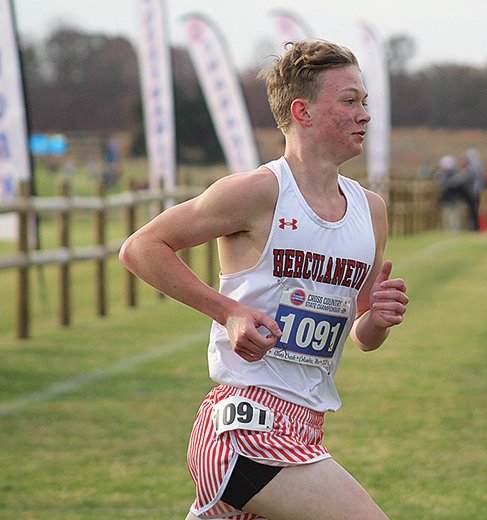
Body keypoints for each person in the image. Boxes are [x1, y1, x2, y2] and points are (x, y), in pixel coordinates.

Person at [119, 39, 408, 520]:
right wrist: (228, 311)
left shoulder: (370, 210)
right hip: (244, 426)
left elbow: (361, 334)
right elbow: (140, 248)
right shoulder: (257, 191)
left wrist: (376, 319)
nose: (365, 115)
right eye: (349, 100)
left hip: (306, 426)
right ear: (303, 111)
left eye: (365, 102)